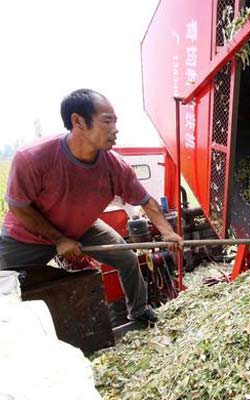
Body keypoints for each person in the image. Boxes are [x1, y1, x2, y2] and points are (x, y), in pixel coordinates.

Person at [0, 88, 183, 324]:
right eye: (107, 121)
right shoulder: (33, 157)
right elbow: (20, 208)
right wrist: (58, 240)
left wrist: (168, 232)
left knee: (126, 259)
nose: (115, 129)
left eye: (115, 121)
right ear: (78, 121)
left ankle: (139, 313)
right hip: (26, 236)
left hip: (80, 226)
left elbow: (145, 201)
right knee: (5, 284)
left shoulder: (114, 166)